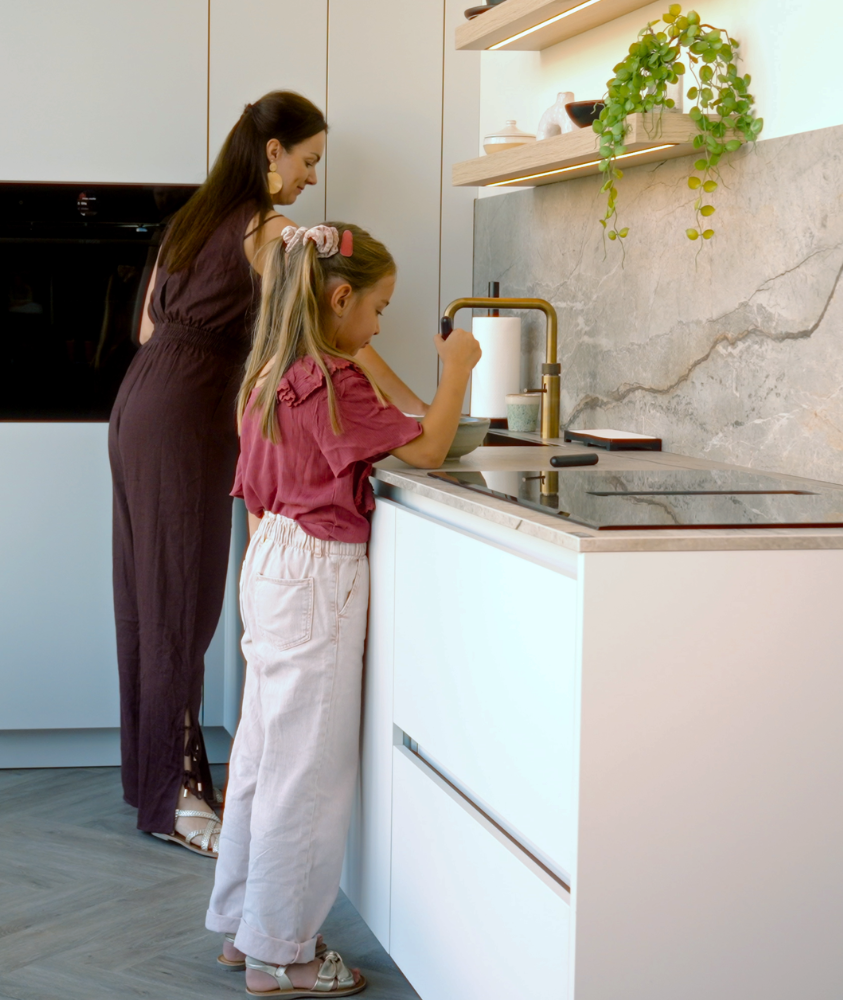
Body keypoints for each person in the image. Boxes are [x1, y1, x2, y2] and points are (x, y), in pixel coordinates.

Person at [108, 91, 428, 857]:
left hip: (138, 404)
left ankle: (152, 782)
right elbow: (332, 331)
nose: (313, 177)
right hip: (186, 417)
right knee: (182, 604)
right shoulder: (270, 231)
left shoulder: (190, 221)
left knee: (147, 599)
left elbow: (146, 328)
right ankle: (177, 801)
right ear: (273, 151)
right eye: (309, 160)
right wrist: (413, 406)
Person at [205, 221, 479, 996]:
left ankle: (246, 926)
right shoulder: (333, 385)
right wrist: (458, 368)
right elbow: (429, 446)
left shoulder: (272, 374)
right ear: (339, 299)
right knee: (309, 774)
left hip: (269, 560)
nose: (380, 326)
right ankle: (282, 954)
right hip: (317, 574)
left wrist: (359, 347)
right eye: (378, 309)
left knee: (263, 755)